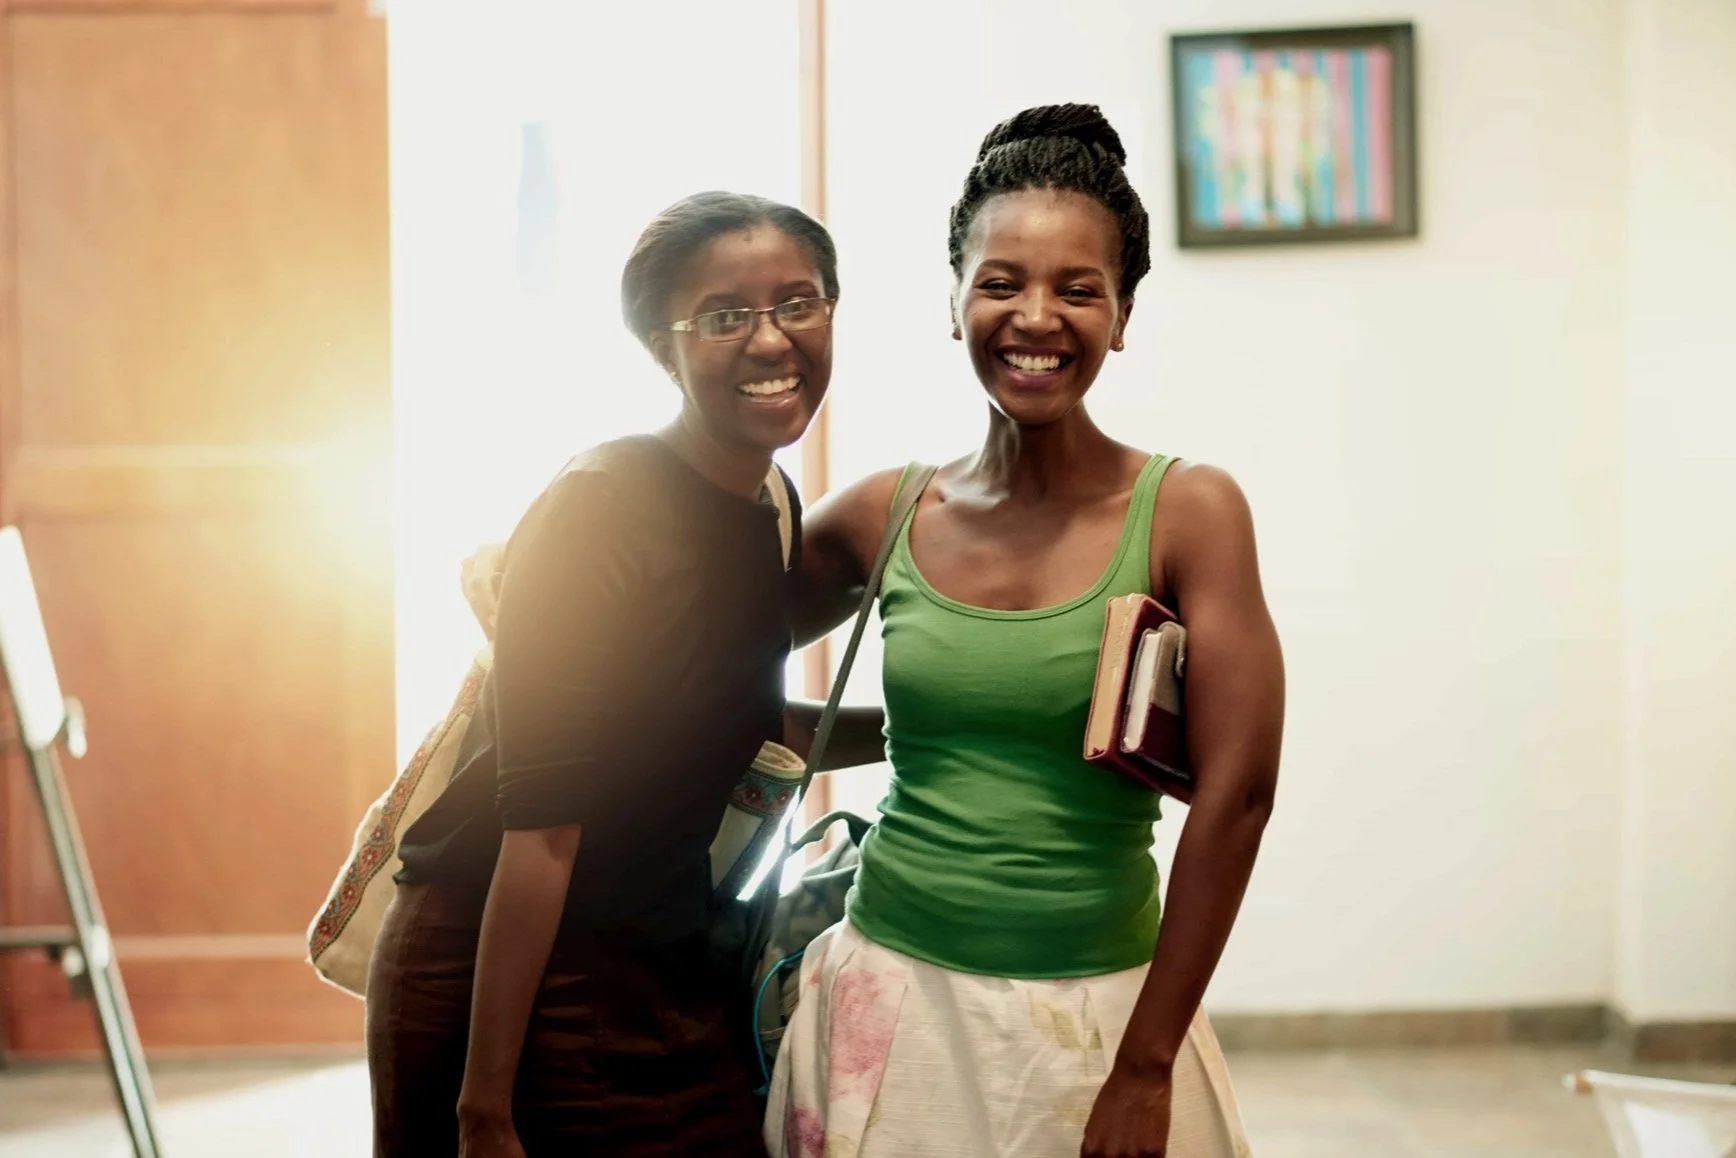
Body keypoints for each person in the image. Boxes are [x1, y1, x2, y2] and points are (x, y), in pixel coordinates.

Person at [767, 105, 1285, 1158]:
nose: (1034, 316)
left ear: (1123, 313)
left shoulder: (1188, 512)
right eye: (999, 281)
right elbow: (700, 646)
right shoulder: (885, 514)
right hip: (889, 996)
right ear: (952, 303)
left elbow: (1238, 794)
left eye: (1076, 288)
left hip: (1097, 1017)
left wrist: (1144, 1067)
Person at [367, 190, 843, 1157]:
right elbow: (540, 826)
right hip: (504, 962)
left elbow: (717, 726)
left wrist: (952, 721)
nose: (771, 340)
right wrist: (484, 1106)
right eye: (724, 316)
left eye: (800, 302)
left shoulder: (768, 503)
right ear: (663, 349)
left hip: (661, 957)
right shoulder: (602, 508)